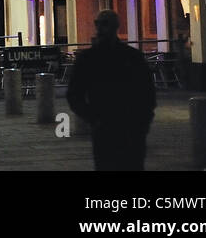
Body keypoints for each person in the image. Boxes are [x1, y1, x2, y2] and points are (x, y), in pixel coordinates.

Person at [67, 9, 157, 171]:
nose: (100, 28)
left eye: (104, 24)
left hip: (128, 125)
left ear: (115, 27)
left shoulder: (129, 57)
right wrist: (93, 118)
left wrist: (143, 121)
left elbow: (147, 92)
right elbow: (74, 94)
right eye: (98, 24)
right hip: (107, 125)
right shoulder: (92, 58)